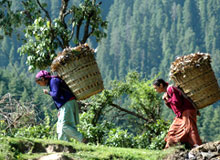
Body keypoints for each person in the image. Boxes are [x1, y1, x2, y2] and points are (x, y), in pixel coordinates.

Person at [35, 70, 87, 143]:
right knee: (59, 128)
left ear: (43, 79)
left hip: (67, 103)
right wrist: (59, 110)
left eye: (39, 82)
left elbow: (56, 94)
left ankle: (82, 139)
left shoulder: (53, 81)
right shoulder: (52, 82)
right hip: (64, 105)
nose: (40, 84)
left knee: (64, 126)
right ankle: (64, 146)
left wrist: (48, 92)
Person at [153, 78, 202, 149]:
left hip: (187, 111)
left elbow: (177, 102)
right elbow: (173, 107)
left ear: (161, 85)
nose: (155, 90)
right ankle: (169, 148)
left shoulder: (171, 89)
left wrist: (168, 99)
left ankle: (198, 146)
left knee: (190, 129)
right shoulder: (167, 92)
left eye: (156, 88)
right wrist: (166, 100)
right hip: (181, 114)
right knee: (173, 130)